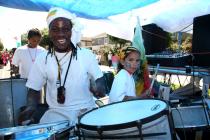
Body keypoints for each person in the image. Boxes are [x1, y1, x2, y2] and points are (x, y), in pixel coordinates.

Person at [18, 7, 106, 125]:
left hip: (86, 112)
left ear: (71, 31)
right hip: (56, 114)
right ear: (49, 32)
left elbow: (99, 79)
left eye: (65, 29)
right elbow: (34, 88)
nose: (60, 34)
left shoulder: (86, 55)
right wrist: (31, 106)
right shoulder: (42, 58)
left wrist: (98, 87)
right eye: (55, 29)